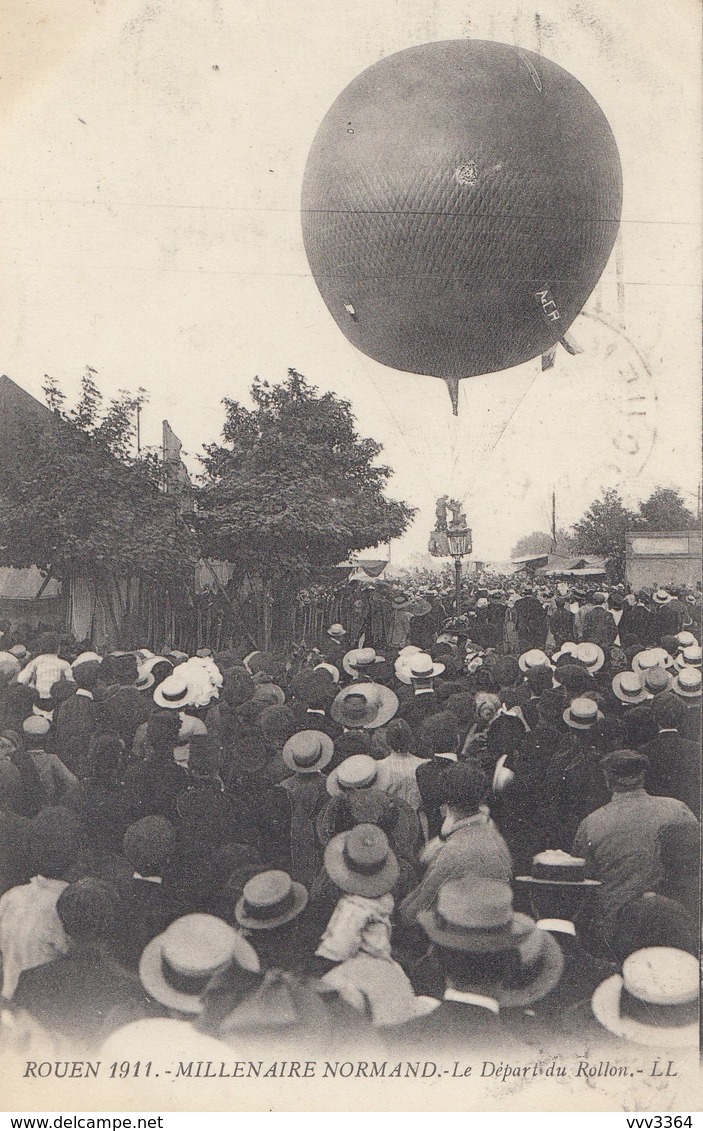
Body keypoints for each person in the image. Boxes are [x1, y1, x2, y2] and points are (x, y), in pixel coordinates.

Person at [572, 749, 699, 938]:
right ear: (642, 776)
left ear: (608, 779)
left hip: (617, 926)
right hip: (675, 923)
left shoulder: (592, 823)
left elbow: (583, 878)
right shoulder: (677, 809)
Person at [400, 762, 512, 925]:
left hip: (460, 934)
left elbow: (412, 913)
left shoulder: (451, 852)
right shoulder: (495, 836)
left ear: (445, 804)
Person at [15, 633, 74, 700]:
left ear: (41, 647)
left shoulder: (36, 661)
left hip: (37, 699)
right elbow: (71, 684)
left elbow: (21, 680)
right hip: (56, 699)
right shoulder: (64, 664)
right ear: (58, 648)